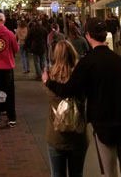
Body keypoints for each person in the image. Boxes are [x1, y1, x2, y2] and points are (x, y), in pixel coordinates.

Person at [69, 18, 121, 177]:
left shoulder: (87, 63)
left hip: (104, 125)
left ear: (88, 35)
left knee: (109, 171)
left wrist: (49, 82)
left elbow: (71, 89)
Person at [42, 40, 88, 177]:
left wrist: (47, 81)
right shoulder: (81, 76)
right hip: (78, 133)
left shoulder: (50, 76)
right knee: (77, 173)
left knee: (57, 173)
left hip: (56, 134)